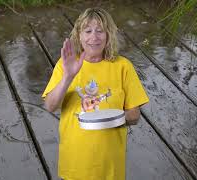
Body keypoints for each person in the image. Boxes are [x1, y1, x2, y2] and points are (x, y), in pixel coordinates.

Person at [42, 7, 149, 180]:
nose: (94, 37)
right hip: (75, 164)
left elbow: (134, 115)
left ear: (108, 35)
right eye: (88, 31)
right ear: (79, 35)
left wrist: (107, 119)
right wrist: (68, 77)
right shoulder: (66, 64)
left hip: (110, 166)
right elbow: (50, 106)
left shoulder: (123, 66)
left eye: (100, 31)